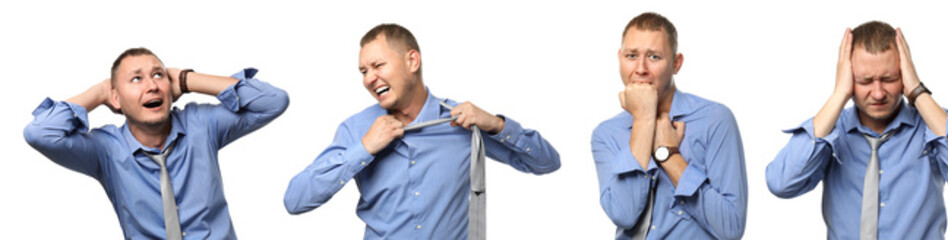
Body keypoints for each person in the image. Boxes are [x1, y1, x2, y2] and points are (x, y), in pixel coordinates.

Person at [282, 23, 561, 239]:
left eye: (378, 65)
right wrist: (363, 149)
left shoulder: (463, 123)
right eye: (363, 71)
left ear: (412, 62)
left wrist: (497, 125)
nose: (369, 78)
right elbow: (295, 200)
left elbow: (547, 163)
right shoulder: (356, 129)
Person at [764, 21, 948, 240]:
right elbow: (782, 184)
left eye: (889, 78)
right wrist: (838, 95)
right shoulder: (831, 129)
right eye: (865, 81)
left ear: (904, 74)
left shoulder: (931, 125)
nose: (877, 93)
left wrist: (917, 91)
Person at [23, 47, 290, 239]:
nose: (152, 86)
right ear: (116, 99)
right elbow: (40, 133)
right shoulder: (106, 150)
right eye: (136, 79)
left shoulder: (201, 124)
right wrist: (101, 92)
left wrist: (187, 79)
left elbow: (273, 101)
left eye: (159, 75)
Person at [590, 12, 748, 240]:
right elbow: (624, 215)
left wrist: (669, 156)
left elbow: (731, 228)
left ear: (676, 63)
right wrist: (644, 121)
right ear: (619, 58)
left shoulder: (715, 119)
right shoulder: (606, 134)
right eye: (631, 55)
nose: (641, 68)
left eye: (654, 57)